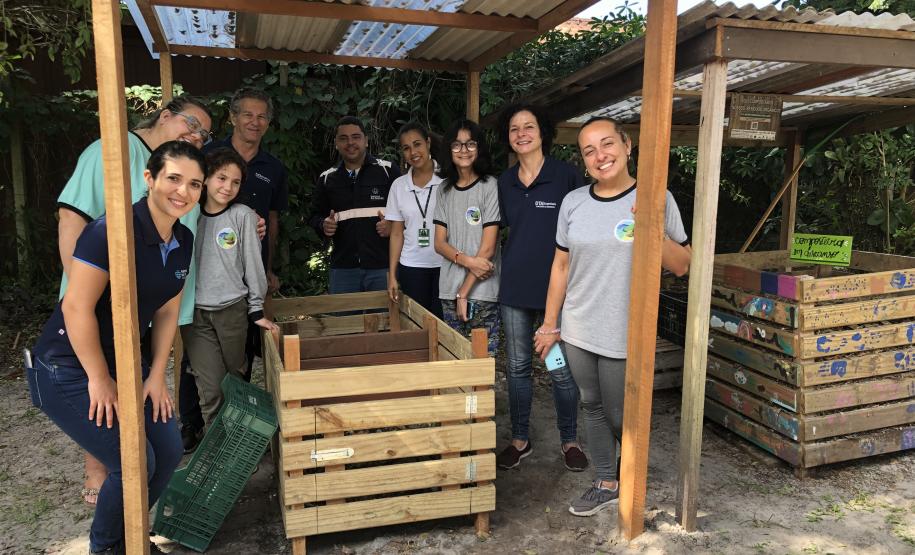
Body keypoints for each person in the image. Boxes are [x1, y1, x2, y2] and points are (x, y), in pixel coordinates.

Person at [27, 141, 205, 554]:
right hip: (66, 365)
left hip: (126, 361)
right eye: (174, 179)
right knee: (133, 460)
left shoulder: (183, 237)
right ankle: (108, 548)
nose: (183, 191)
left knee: (169, 448)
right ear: (150, 178)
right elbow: (75, 306)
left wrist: (157, 373)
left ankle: (131, 537)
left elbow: (166, 312)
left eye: (194, 184)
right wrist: (98, 377)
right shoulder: (111, 230)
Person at [55, 95, 212, 506]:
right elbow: (72, 218)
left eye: (204, 133)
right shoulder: (110, 149)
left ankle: (125, 476)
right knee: (101, 387)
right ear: (165, 115)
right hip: (96, 301)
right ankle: (99, 472)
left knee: (134, 391)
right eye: (191, 124)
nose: (197, 135)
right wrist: (89, 290)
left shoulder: (188, 177)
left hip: (151, 301)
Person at [534, 116, 691, 517]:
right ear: (584, 160)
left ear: (627, 146)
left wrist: (651, 227)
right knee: (591, 404)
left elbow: (683, 265)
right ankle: (606, 480)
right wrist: (551, 324)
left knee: (622, 412)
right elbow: (560, 267)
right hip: (579, 328)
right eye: (589, 150)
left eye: (607, 144)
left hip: (626, 330)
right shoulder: (573, 203)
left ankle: (631, 470)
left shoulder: (657, 197)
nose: (600, 156)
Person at [180, 87, 285, 451]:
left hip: (234, 308)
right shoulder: (185, 213)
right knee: (207, 389)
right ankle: (216, 452)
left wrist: (256, 306)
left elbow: (256, 254)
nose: (227, 186)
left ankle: (240, 445)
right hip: (194, 311)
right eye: (221, 179)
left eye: (235, 181)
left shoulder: (244, 214)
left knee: (237, 378)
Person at [495, 104, 587, 472]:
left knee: (559, 367)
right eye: (514, 128)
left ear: (542, 132)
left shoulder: (566, 176)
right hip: (514, 290)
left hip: (556, 294)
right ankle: (520, 440)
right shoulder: (505, 182)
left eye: (528, 126)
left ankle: (570, 439)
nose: (521, 134)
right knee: (516, 368)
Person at [309, 116, 400, 293]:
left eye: (356, 137)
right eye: (343, 138)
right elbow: (314, 216)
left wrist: (392, 226)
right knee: (345, 321)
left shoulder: (388, 171)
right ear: (336, 143)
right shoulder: (327, 178)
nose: (350, 142)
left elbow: (408, 213)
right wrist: (323, 225)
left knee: (384, 320)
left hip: (383, 267)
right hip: (344, 269)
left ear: (366, 140)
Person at [432, 119, 501, 356]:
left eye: (470, 144)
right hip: (448, 290)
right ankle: (463, 397)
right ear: (448, 150)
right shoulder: (444, 189)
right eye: (457, 145)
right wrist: (470, 262)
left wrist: (464, 292)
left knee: (481, 364)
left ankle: (478, 397)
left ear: (479, 147)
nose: (464, 151)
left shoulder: (490, 185)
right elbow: (439, 243)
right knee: (456, 362)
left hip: (482, 291)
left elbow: (488, 248)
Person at [385, 122, 444, 319]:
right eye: (406, 148)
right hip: (411, 267)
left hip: (446, 266)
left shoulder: (448, 179)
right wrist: (392, 275)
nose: (413, 152)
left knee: (445, 328)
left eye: (417, 144)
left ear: (428, 143)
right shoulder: (399, 186)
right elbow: (396, 232)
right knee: (417, 326)